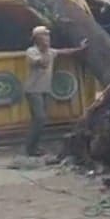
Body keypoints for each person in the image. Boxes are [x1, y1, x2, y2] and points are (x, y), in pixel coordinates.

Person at [23, 26, 87, 156]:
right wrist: (46, 49)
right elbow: (43, 63)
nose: (47, 38)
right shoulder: (32, 52)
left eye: (47, 35)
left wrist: (80, 49)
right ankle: (30, 148)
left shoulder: (50, 51)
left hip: (44, 90)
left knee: (40, 120)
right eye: (44, 36)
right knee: (40, 118)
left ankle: (34, 147)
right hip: (33, 90)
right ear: (36, 39)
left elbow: (65, 52)